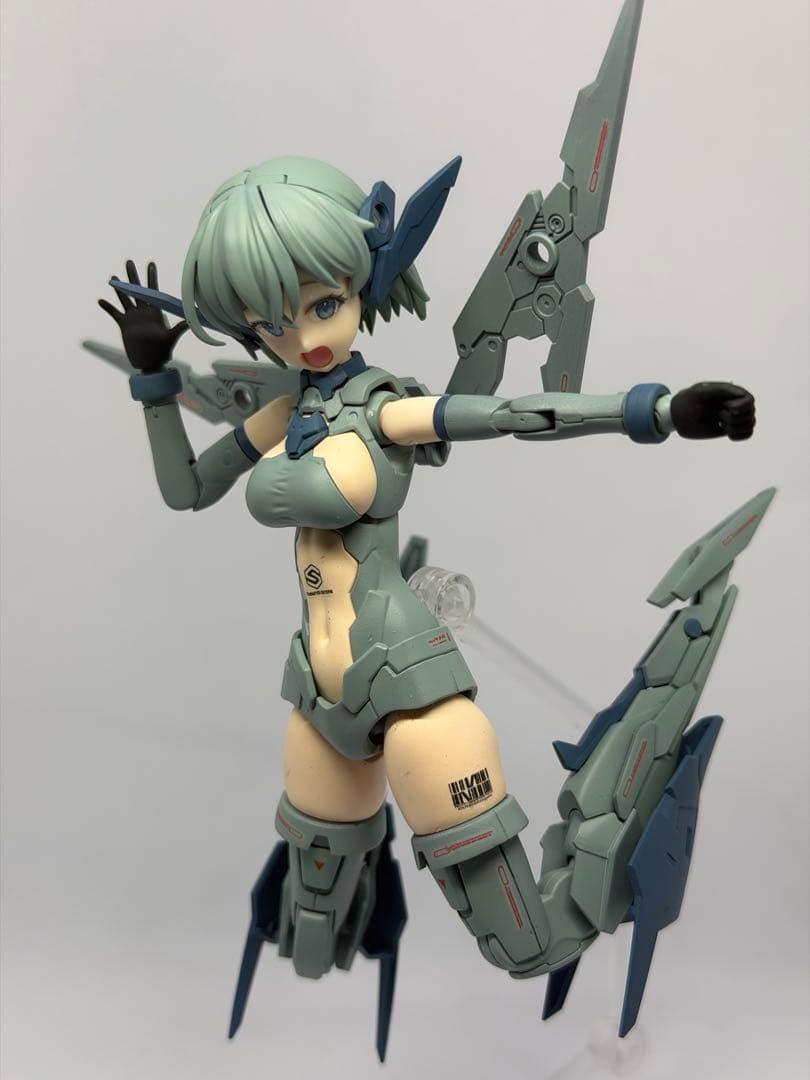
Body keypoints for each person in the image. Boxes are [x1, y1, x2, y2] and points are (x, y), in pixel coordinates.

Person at [98, 154, 757, 1053]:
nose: (304, 338)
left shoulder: (387, 412)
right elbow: (186, 488)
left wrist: (662, 409)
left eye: (323, 304)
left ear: (362, 277)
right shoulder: (285, 414)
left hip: (410, 695)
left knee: (528, 944)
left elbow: (520, 414)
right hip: (321, 698)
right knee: (314, 919)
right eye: (273, 323)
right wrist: (152, 380)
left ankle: (627, 817)